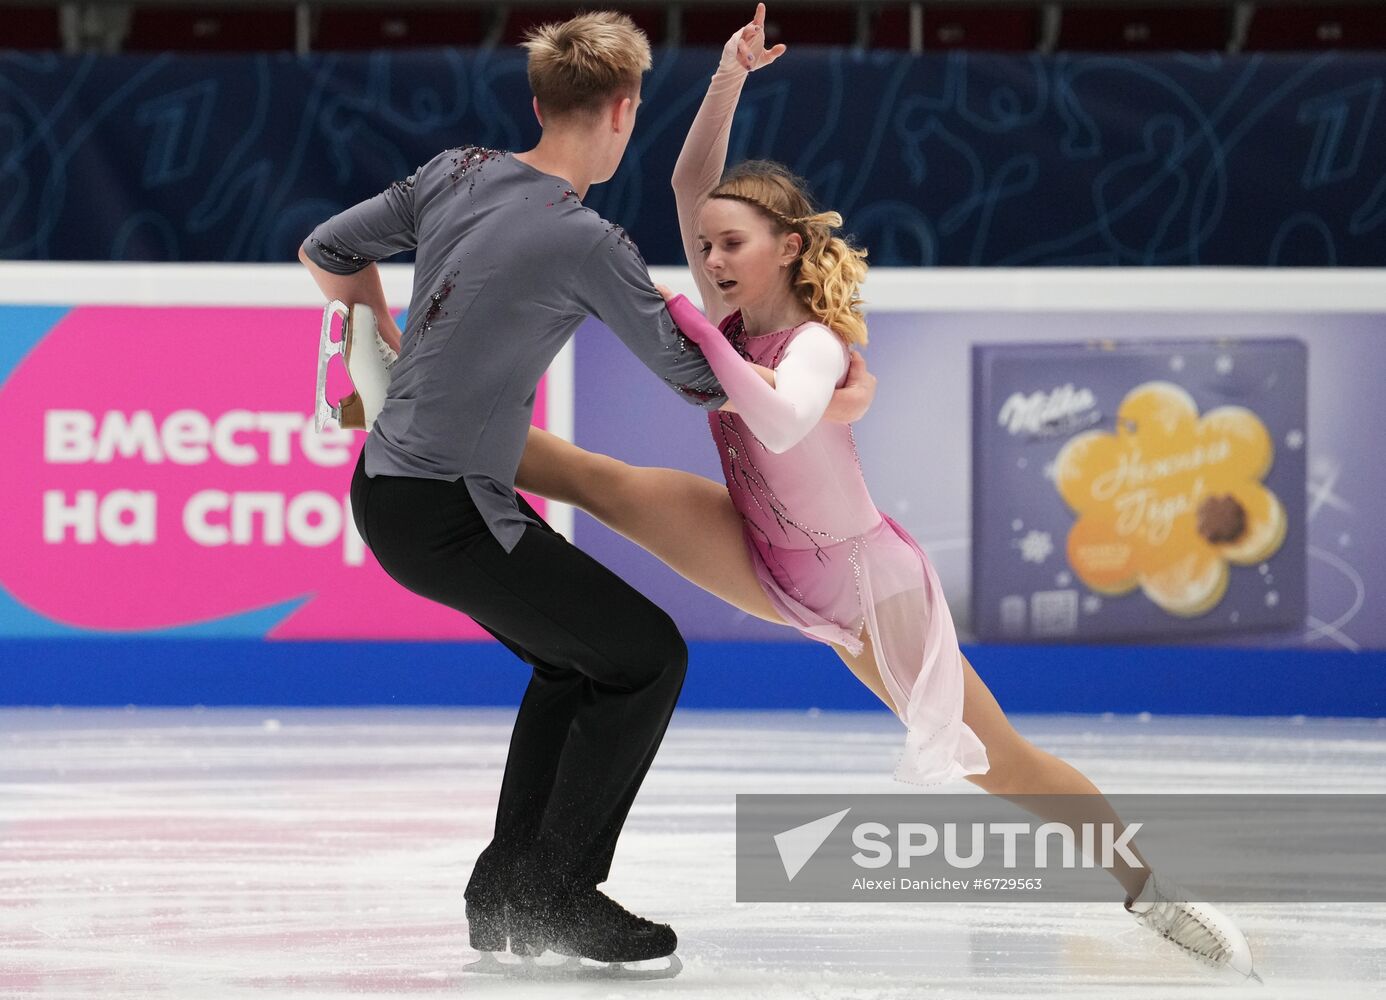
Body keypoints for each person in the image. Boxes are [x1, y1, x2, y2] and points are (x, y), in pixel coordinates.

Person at [514, 4, 1258, 980]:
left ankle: (1148, 886)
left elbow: (781, 420)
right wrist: (730, 75)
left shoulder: (816, 342)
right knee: (595, 479)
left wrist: (696, 332)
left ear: (783, 246)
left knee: (1004, 765)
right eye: (706, 246)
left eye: (731, 243)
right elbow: (692, 179)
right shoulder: (732, 301)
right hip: (762, 549)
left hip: (869, 587)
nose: (712, 258)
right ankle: (403, 414)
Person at [298, 9, 874, 973]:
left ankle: (509, 890)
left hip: (392, 490)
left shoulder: (456, 169)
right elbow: (701, 383)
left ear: (538, 103)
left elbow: (327, 250)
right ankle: (558, 890)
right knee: (645, 657)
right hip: (446, 508)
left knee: (580, 663)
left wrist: (376, 343)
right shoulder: (587, 241)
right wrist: (816, 367)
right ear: (624, 110)